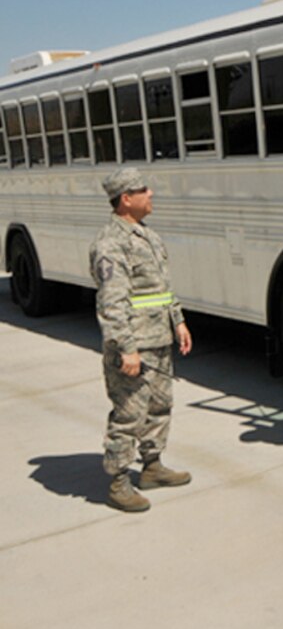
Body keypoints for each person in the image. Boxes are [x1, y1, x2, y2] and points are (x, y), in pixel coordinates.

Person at [89, 167, 193, 513]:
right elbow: (112, 303)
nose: (151, 194)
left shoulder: (147, 236)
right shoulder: (110, 244)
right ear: (125, 199)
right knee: (129, 414)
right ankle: (118, 482)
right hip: (135, 346)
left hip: (159, 339)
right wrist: (126, 349)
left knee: (160, 406)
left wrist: (178, 321)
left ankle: (152, 467)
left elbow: (161, 288)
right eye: (143, 189)